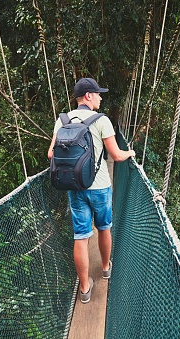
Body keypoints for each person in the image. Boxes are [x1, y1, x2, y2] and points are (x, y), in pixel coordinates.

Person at [48, 77, 135, 304]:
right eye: (98, 93)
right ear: (88, 96)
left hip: (74, 187)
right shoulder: (102, 120)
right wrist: (130, 153)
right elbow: (116, 155)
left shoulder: (62, 120)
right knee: (104, 227)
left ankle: (85, 289)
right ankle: (105, 268)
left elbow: (51, 155)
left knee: (81, 236)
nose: (100, 97)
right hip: (100, 188)